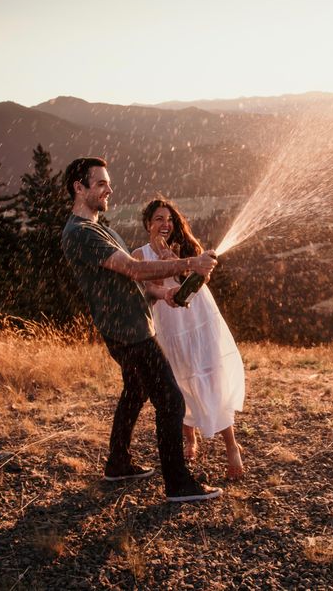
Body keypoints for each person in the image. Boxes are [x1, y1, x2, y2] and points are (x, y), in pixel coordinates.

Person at [61, 157, 222, 503]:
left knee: (135, 392)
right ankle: (178, 483)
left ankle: (118, 463)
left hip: (127, 326)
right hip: (129, 331)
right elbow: (133, 269)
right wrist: (191, 263)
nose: (109, 189)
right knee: (171, 401)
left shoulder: (99, 227)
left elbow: (129, 282)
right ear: (79, 188)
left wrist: (165, 293)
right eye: (101, 183)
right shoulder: (81, 233)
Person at [133, 198, 245, 479]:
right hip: (170, 324)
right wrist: (163, 265)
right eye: (158, 219)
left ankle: (232, 447)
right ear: (148, 224)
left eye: (169, 219)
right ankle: (190, 437)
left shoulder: (184, 248)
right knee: (180, 380)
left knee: (210, 376)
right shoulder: (140, 254)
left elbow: (201, 281)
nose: (165, 224)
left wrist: (181, 264)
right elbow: (150, 290)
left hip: (198, 317)